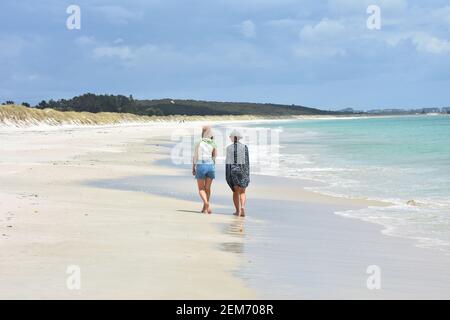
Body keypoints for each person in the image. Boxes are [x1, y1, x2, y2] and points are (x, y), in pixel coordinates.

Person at [192, 126, 217, 214]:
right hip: (210, 166)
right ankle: (204, 208)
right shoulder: (213, 143)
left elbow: (195, 156)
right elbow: (214, 157)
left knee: (201, 189)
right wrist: (212, 167)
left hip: (201, 165)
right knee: (208, 188)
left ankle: (206, 204)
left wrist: (193, 168)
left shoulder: (198, 142)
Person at [225, 129, 250, 217]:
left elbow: (228, 164)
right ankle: (242, 206)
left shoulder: (229, 148)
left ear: (234, 137)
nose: (230, 138)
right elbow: (247, 162)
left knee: (235, 191)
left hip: (233, 171)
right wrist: (247, 175)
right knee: (242, 192)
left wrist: (227, 177)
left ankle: (237, 211)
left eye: (231, 137)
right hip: (243, 171)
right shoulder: (245, 147)